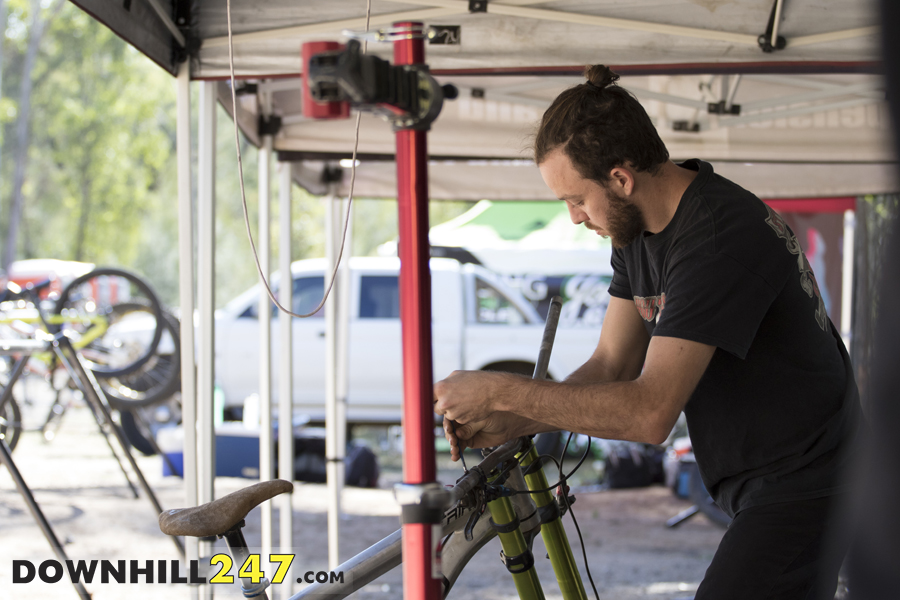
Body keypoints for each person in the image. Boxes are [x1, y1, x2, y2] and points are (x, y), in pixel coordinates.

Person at [433, 65, 862, 599]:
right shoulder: (635, 229)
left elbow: (650, 412)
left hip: (815, 478)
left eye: (577, 199)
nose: (572, 217)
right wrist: (511, 419)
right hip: (766, 478)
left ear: (620, 178)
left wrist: (499, 390)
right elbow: (612, 363)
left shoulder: (714, 237)